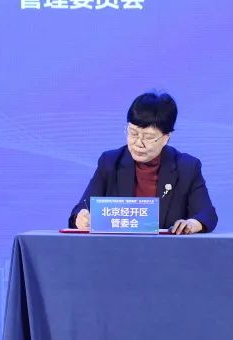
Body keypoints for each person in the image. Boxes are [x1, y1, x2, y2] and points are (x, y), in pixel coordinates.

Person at [70, 92, 218, 234]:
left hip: (167, 249)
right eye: (133, 133)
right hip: (116, 248)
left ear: (166, 138)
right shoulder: (110, 162)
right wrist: (81, 217)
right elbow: (82, 208)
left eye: (148, 137)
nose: (138, 143)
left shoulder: (186, 167)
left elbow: (206, 214)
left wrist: (192, 224)